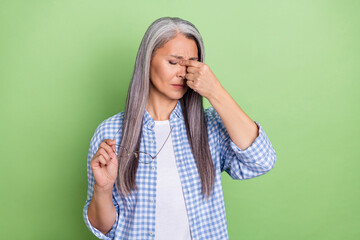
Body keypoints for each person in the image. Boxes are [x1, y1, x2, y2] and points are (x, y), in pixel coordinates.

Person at [83, 16, 277, 240]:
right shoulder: (111, 133)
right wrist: (104, 189)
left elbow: (263, 160)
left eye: (191, 64)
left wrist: (215, 92)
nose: (182, 73)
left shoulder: (210, 127)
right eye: (173, 62)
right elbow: (104, 228)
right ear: (147, 61)